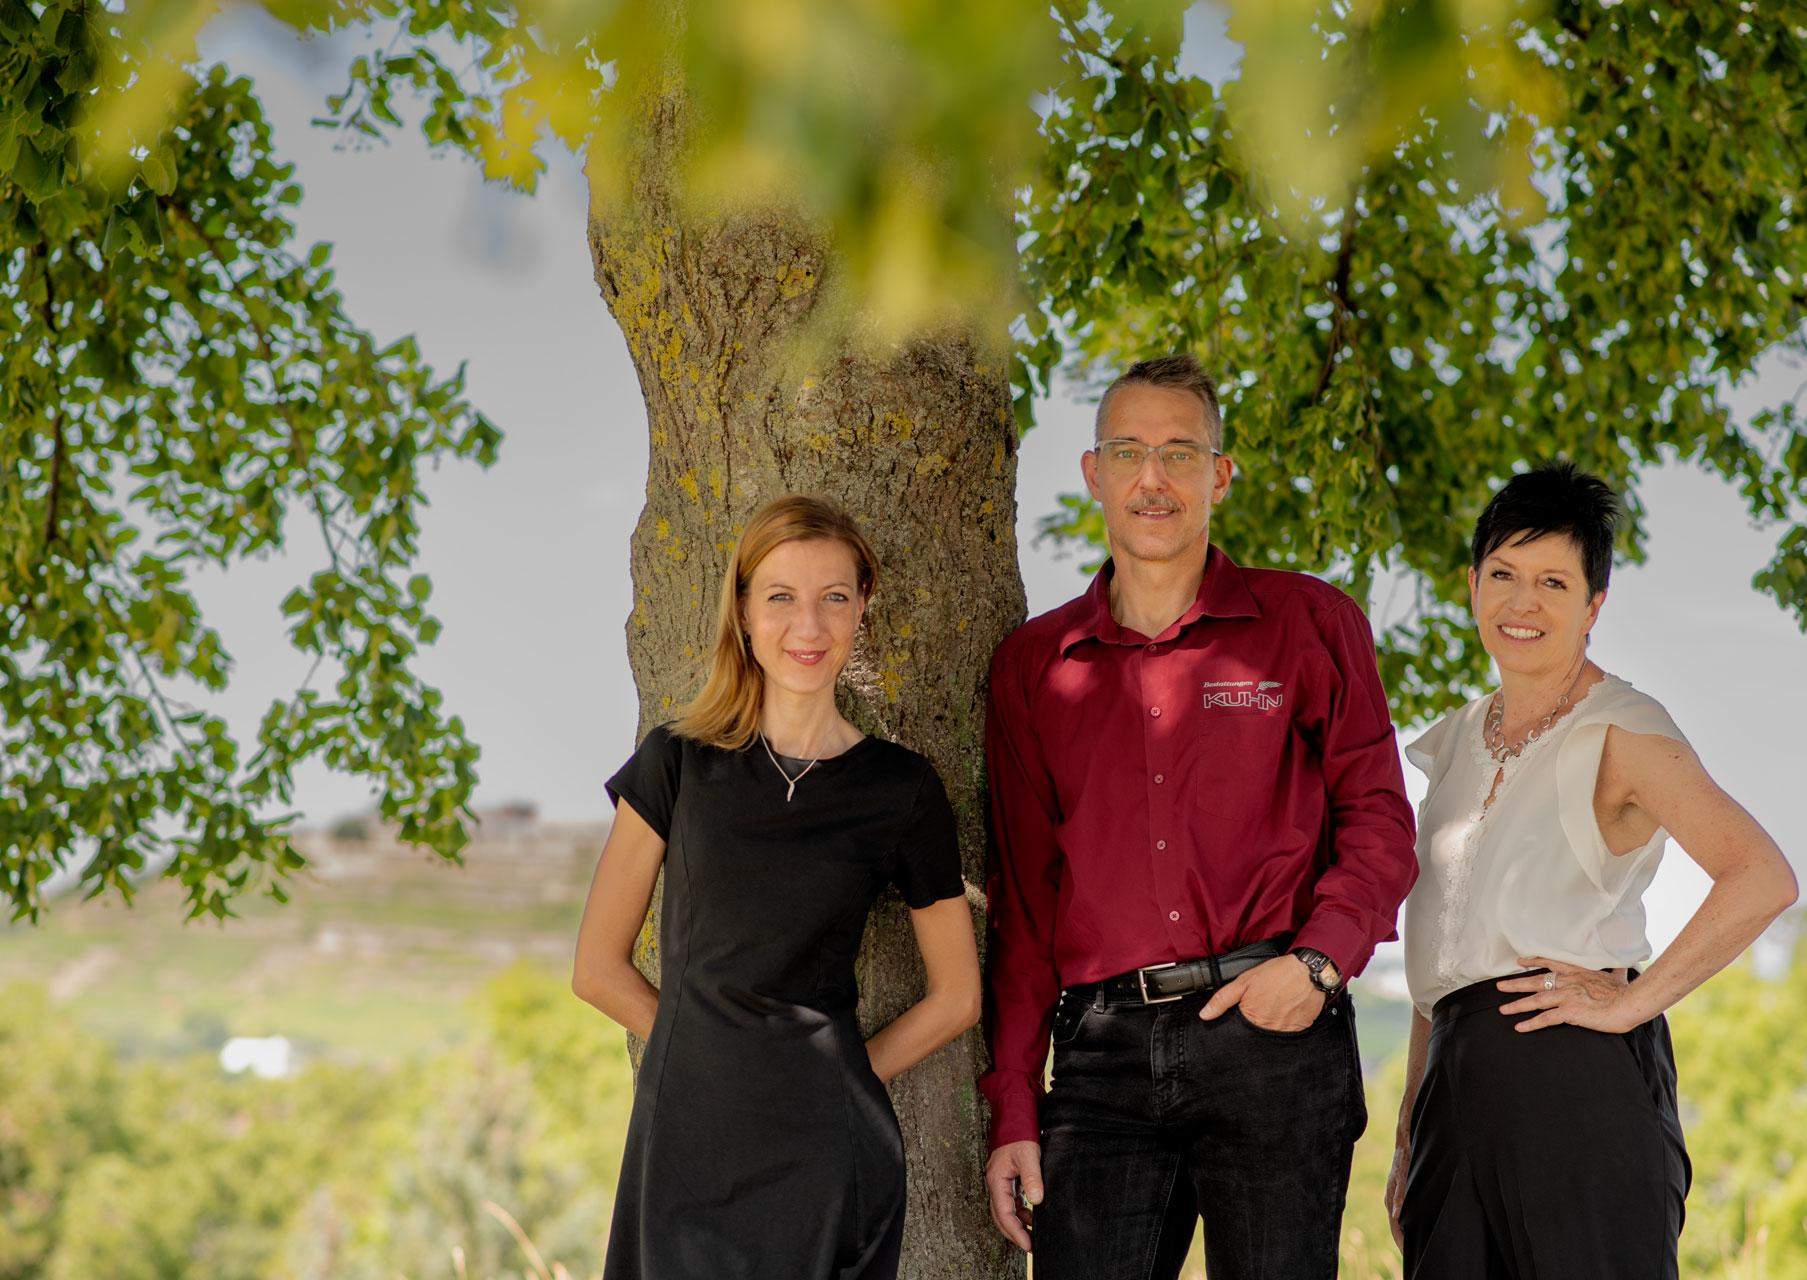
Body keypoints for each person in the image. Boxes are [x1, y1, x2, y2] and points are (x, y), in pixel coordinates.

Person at [980, 354, 1419, 1279]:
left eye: (1180, 453)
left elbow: (1378, 822)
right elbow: (1024, 906)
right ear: (1093, 473)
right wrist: (1014, 1108)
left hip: (1275, 1039)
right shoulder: (1033, 666)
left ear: (1219, 476)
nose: (1153, 478)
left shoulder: (1307, 624)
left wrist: (1315, 966)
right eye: (1129, 451)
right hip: (1099, 1058)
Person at [1385, 461, 1799, 1279]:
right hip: (1451, 1095)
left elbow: (1760, 876)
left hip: (1569, 1081)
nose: (1521, 603)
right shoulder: (1455, 741)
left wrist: (1630, 1001)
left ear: (1592, 607)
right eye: (1502, 574)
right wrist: (1409, 1129)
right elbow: (1440, 965)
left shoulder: (1623, 729)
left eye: (1552, 582)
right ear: (1471, 586)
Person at [573, 494, 982, 1280]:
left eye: (835, 597)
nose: (810, 626)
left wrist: (837, 1080)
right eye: (782, 598)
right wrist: (710, 1063)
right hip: (687, 1144)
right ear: (743, 610)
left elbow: (956, 997)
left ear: (864, 607)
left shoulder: (901, 789)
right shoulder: (678, 763)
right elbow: (596, 968)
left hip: (827, 1156)